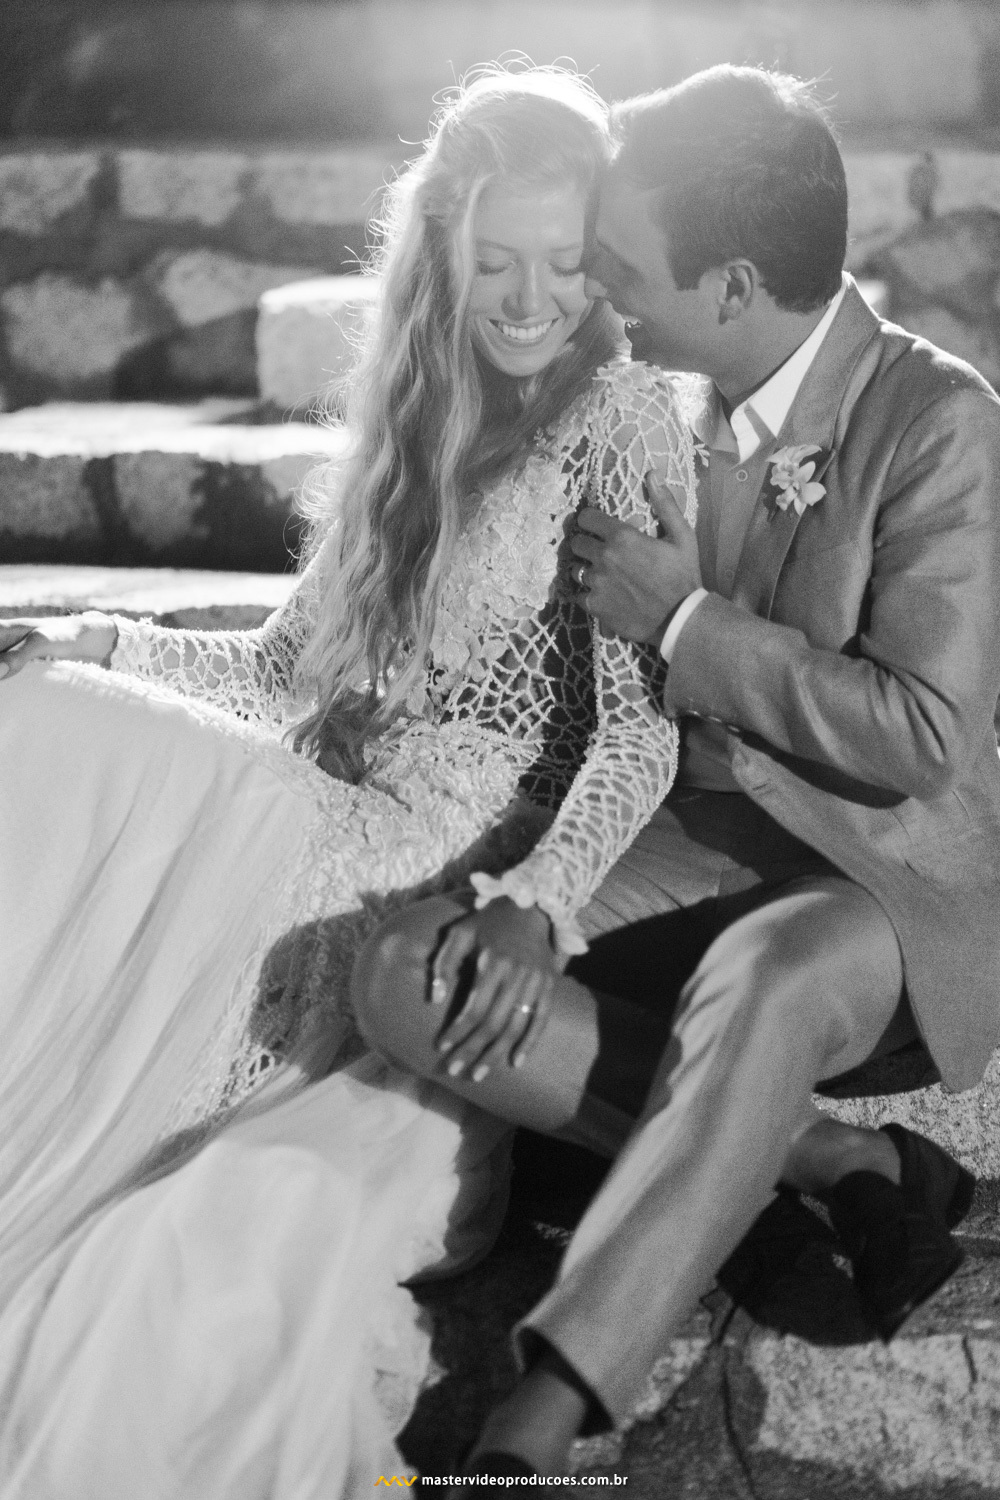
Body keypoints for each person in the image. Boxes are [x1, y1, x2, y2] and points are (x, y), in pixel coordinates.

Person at [0, 68, 701, 1496]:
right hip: (331, 806)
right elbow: (277, 672)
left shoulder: (624, 420)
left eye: (566, 261)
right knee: (46, 705)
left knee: (111, 762)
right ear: (443, 250)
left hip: (443, 864)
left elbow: (640, 736)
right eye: (494, 262)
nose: (530, 299)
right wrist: (89, 632)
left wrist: (536, 904)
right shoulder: (418, 410)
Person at [351, 65, 1000, 1480]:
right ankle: (828, 1159)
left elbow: (925, 737)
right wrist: (529, 887)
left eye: (622, 265)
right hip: (688, 836)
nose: (599, 291)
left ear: (732, 283)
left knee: (757, 981)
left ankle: (531, 1429)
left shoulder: (938, 420)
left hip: (883, 884)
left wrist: (691, 622)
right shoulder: (659, 399)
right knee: (408, 970)